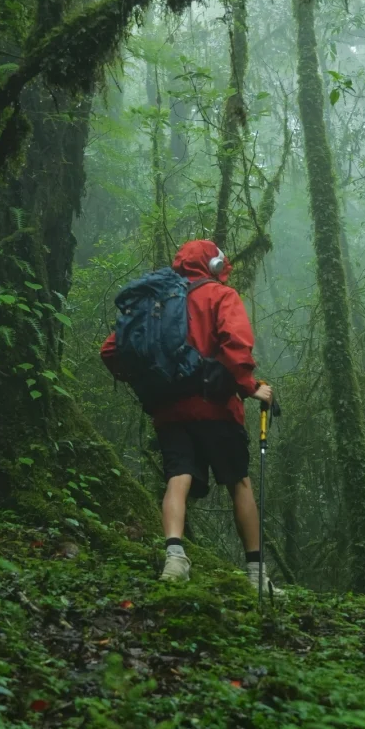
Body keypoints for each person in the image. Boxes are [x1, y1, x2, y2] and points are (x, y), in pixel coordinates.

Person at [102, 238, 280, 589]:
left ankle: (174, 558)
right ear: (214, 265)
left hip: (169, 411)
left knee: (178, 478)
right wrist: (249, 386)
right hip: (216, 408)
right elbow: (236, 344)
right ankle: (257, 575)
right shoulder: (220, 295)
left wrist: (150, 379)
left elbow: (111, 350)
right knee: (238, 483)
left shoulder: (155, 301)